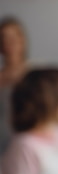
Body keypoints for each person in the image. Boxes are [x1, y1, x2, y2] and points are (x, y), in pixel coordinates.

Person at [0, 17, 29, 154]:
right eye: (4, 37)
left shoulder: (33, 73)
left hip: (23, 138)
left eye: (14, 36)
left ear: (23, 40)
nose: (10, 42)